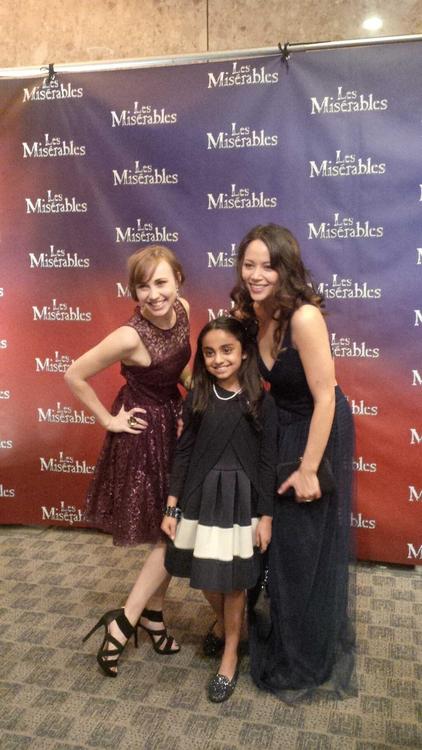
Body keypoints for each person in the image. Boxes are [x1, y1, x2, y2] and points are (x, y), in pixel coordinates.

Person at [231, 223, 356, 703]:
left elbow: (326, 396)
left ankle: (305, 654)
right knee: (281, 545)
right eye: (249, 264)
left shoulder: (303, 317)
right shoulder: (253, 311)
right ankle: (287, 634)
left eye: (268, 265)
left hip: (318, 431)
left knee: (303, 545)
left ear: (287, 269)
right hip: (284, 427)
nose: (257, 274)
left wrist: (308, 469)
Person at [65, 245, 191, 675]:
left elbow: (179, 369)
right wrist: (109, 420)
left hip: (174, 424)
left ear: (178, 281)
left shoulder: (185, 310)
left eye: (161, 282)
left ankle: (154, 615)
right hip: (143, 436)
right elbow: (73, 374)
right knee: (169, 531)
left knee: (172, 526)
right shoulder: (129, 335)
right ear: (134, 291)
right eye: (144, 285)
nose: (154, 294)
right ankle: (124, 621)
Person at [161, 316, 277, 702]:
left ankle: (230, 654)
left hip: (241, 500)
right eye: (209, 352)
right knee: (207, 577)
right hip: (201, 495)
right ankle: (233, 627)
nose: (218, 359)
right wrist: (172, 505)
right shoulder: (198, 396)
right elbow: (185, 451)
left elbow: (266, 462)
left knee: (235, 581)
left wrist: (266, 515)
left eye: (226, 350)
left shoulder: (261, 399)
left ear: (244, 352)